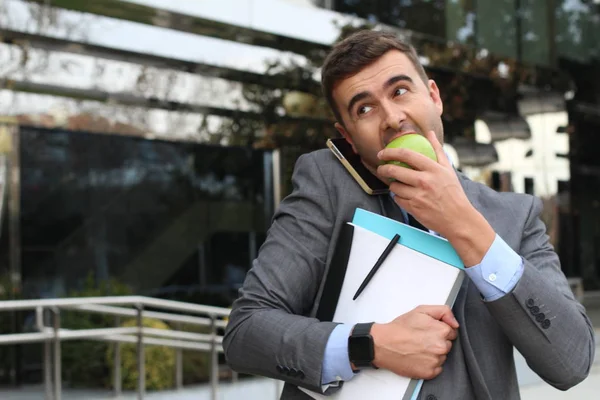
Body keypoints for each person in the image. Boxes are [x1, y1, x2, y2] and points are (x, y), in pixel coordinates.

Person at [223, 29, 595, 400]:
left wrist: (461, 223)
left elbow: (571, 363)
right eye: (364, 108)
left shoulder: (516, 215)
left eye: (400, 90)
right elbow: (246, 332)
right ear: (348, 137)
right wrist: (369, 345)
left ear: (434, 97)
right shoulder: (327, 186)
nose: (391, 117)